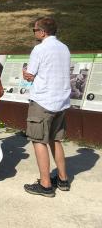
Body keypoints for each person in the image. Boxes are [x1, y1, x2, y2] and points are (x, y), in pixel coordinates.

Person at [22, 17, 71, 197]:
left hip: (43, 101)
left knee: (39, 140)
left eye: (35, 30)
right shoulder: (64, 48)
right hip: (61, 101)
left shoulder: (40, 48)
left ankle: (45, 184)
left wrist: (25, 73)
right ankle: (63, 179)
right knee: (55, 140)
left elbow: (30, 75)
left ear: (43, 32)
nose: (34, 33)